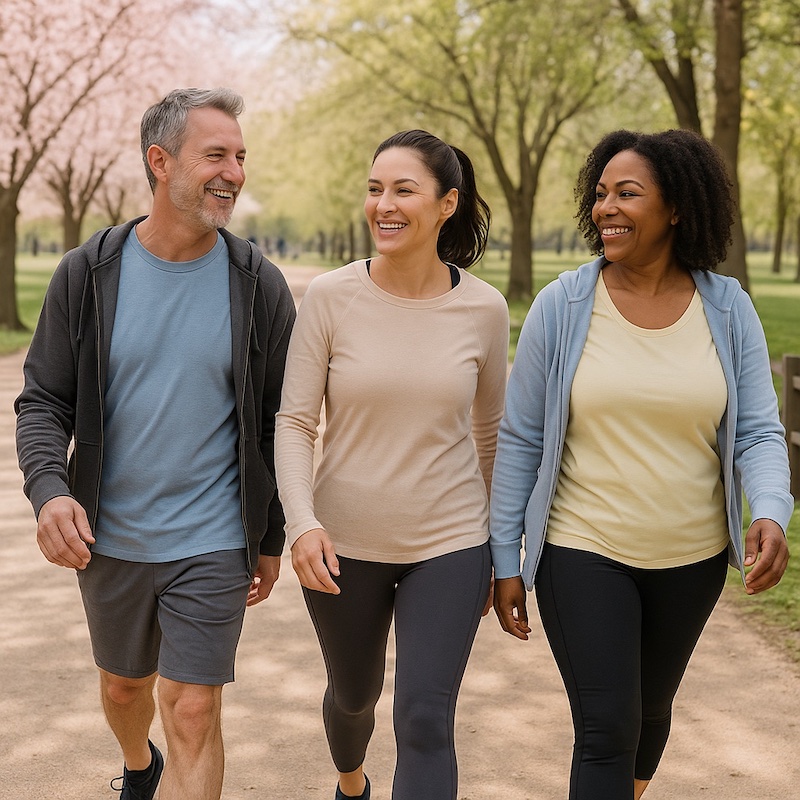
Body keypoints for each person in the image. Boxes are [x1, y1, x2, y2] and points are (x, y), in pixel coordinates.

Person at [489, 128, 793, 799]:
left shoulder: (727, 307)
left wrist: (771, 509)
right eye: (600, 194)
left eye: (627, 194)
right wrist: (506, 558)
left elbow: (758, 432)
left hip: (692, 557)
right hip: (582, 548)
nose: (606, 208)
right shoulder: (563, 305)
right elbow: (522, 439)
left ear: (676, 207)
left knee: (650, 715)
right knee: (607, 728)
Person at [15, 88, 295, 800]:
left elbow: (276, 420)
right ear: (160, 161)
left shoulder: (257, 284)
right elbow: (44, 400)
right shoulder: (87, 274)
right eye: (216, 155)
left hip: (212, 537)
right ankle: (140, 766)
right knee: (123, 688)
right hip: (109, 534)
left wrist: (270, 535)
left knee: (193, 708)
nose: (234, 172)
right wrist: (49, 492)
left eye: (240, 156)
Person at [275, 129, 509, 800]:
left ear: (446, 204)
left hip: (452, 542)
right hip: (343, 544)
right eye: (376, 189)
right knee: (354, 697)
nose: (385, 204)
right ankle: (352, 783)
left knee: (425, 718)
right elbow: (294, 422)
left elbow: (491, 433)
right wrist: (302, 524)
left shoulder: (484, 309)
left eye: (404, 190)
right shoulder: (330, 297)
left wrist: (499, 550)